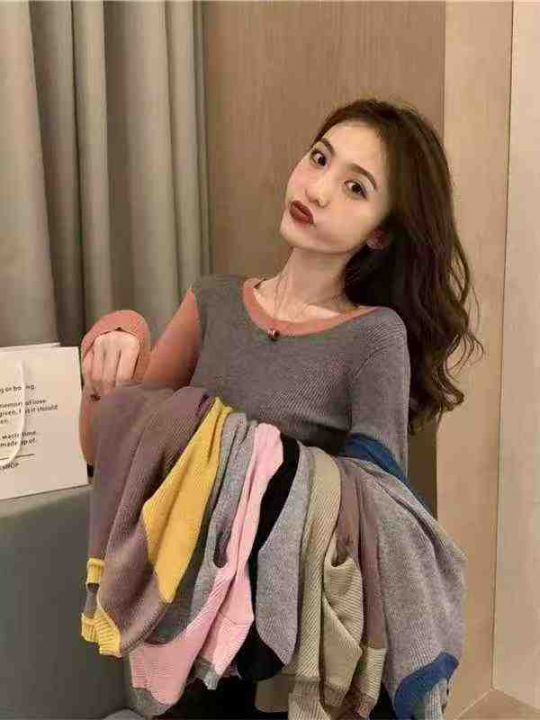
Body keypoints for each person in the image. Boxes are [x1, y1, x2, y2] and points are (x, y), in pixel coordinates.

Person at [79, 97, 484, 719]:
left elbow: (380, 513)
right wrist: (113, 349)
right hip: (187, 620)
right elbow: (112, 451)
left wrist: (255, 458)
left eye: (354, 187)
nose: (317, 189)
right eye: (319, 159)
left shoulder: (374, 337)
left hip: (287, 653)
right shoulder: (212, 301)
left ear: (379, 232)